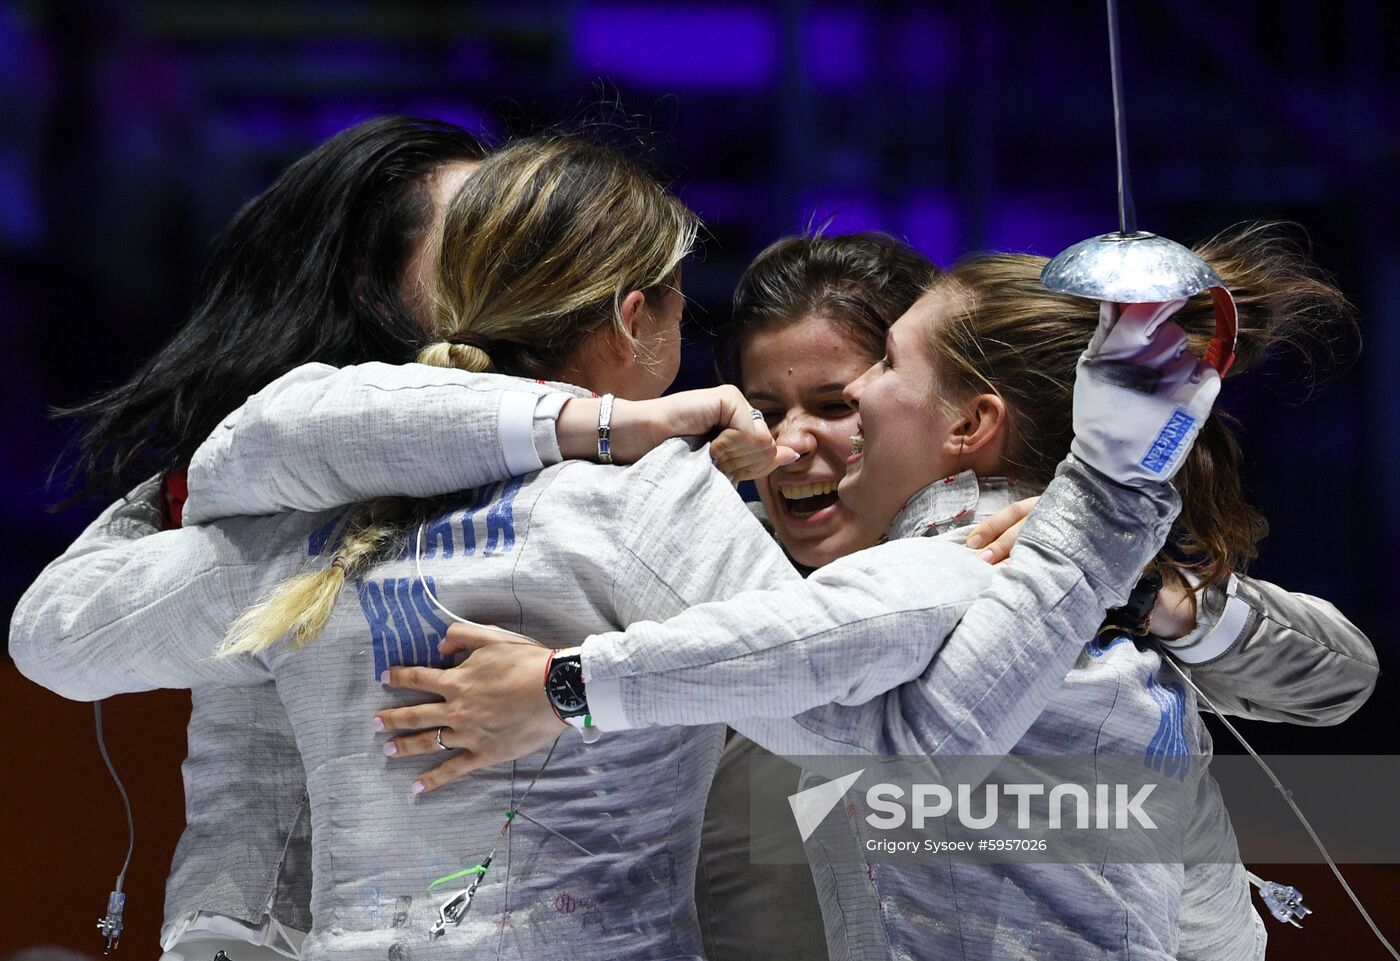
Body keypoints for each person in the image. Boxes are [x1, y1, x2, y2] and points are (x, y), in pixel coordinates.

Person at [12, 133, 1198, 958]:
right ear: (634, 318)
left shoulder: (303, 527)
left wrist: (195, 491)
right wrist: (1056, 534)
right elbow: (900, 732)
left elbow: (59, 638)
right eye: (684, 308)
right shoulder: (640, 503)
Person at [225, 230, 1356, 959]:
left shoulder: (1007, 569)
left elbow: (1332, 683)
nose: (800, 441)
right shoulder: (693, 582)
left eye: (842, 396)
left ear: (959, 421)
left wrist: (1158, 598)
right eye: (768, 404)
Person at [23, 116, 781, 959]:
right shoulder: (292, 500)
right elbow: (61, 627)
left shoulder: (638, 485)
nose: (514, 240)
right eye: (480, 228)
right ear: (373, 290)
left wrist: (569, 683)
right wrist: (600, 425)